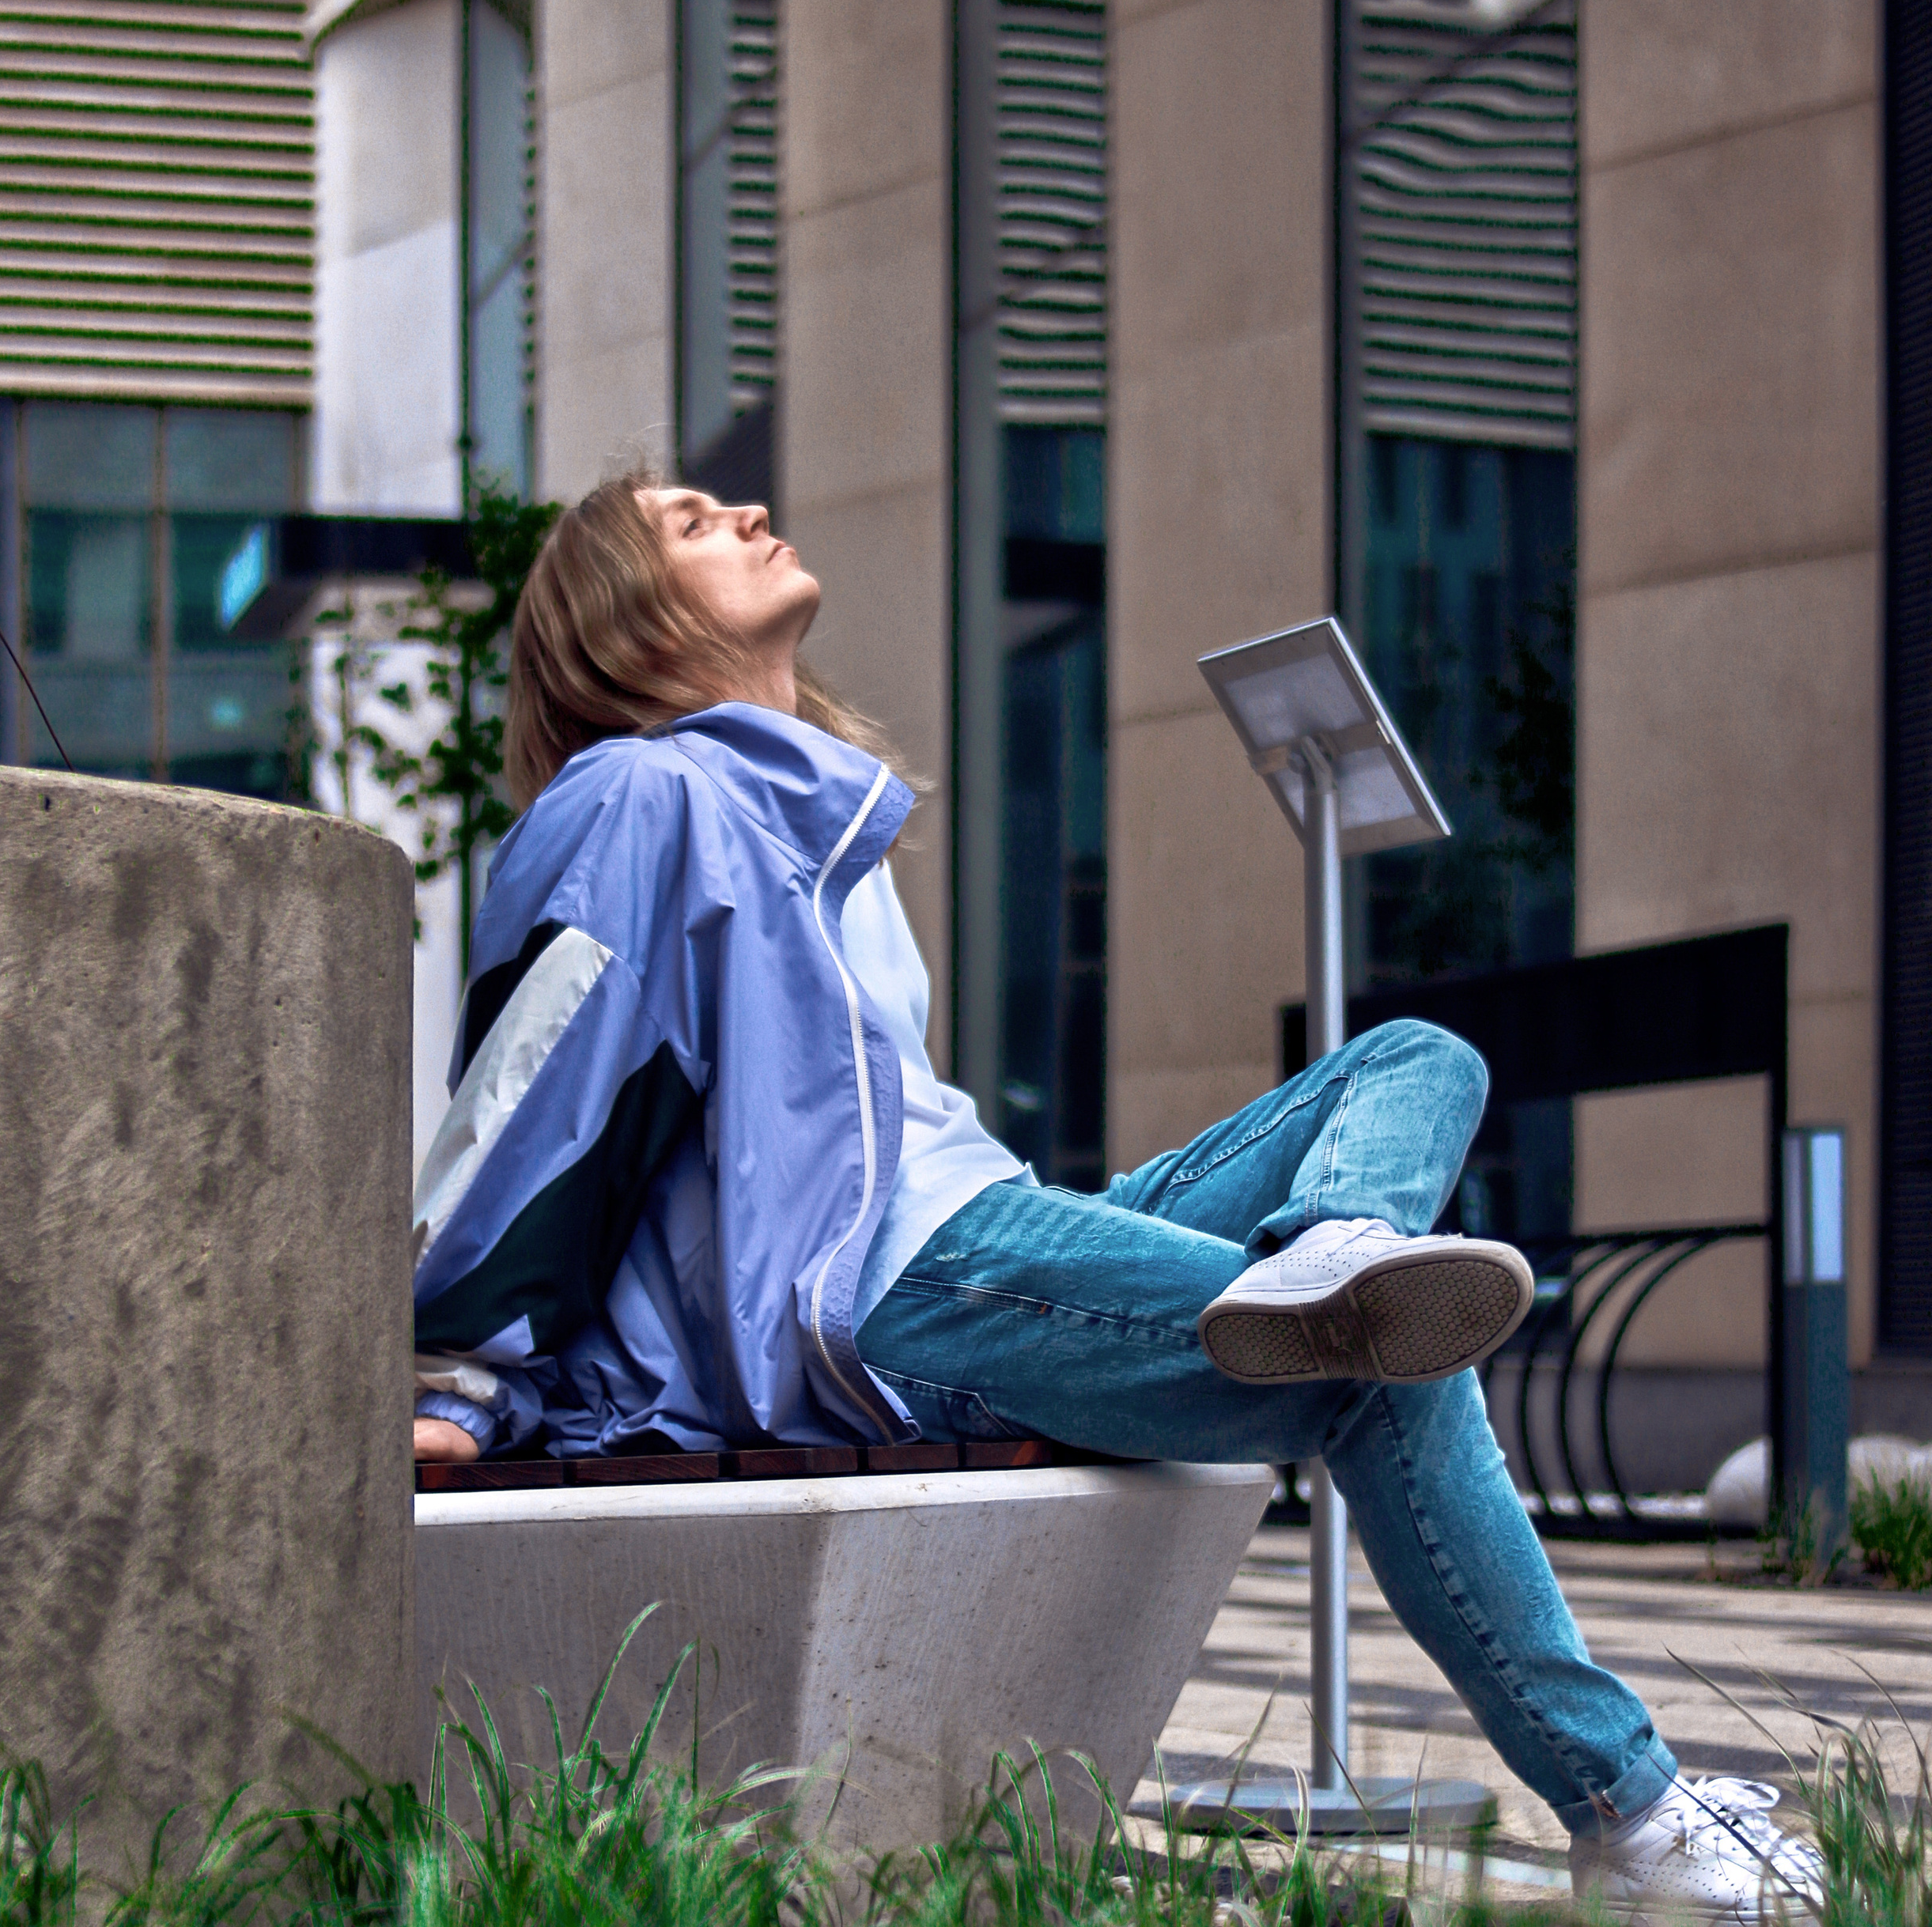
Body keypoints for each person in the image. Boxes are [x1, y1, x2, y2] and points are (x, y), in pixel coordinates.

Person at [409, 471, 1823, 1923]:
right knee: (1378, 1360)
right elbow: (540, 1085)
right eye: (692, 524)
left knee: (1416, 1057)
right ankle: (1635, 1820)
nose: (748, 514)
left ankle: (1333, 1247)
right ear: (625, 619)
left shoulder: (796, 804)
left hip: (984, 1224)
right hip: (889, 1286)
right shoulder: (639, 793)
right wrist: (465, 1374)